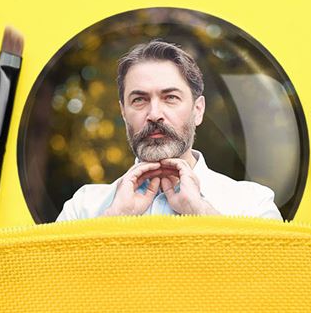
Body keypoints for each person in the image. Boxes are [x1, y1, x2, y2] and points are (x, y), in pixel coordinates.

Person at [55, 39, 283, 221]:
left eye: (170, 97)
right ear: (124, 112)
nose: (154, 114)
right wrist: (114, 220)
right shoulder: (82, 208)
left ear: (198, 110)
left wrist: (201, 213)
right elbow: (56, 269)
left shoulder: (254, 204)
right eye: (139, 100)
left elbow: (269, 268)